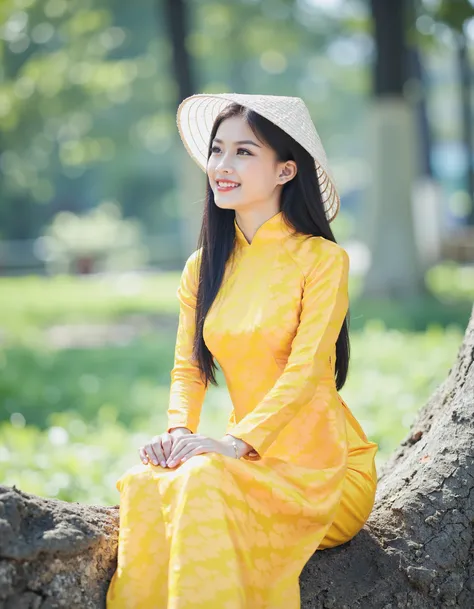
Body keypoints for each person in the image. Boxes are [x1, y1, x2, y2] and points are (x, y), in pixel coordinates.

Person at [106, 93, 379, 609]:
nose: (222, 166)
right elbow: (188, 368)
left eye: (244, 153)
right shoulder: (202, 267)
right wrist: (178, 434)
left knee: (204, 478)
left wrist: (234, 443)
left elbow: (304, 373)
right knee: (146, 481)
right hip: (245, 460)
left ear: (285, 171)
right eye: (217, 150)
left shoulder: (323, 260)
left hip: (322, 470)